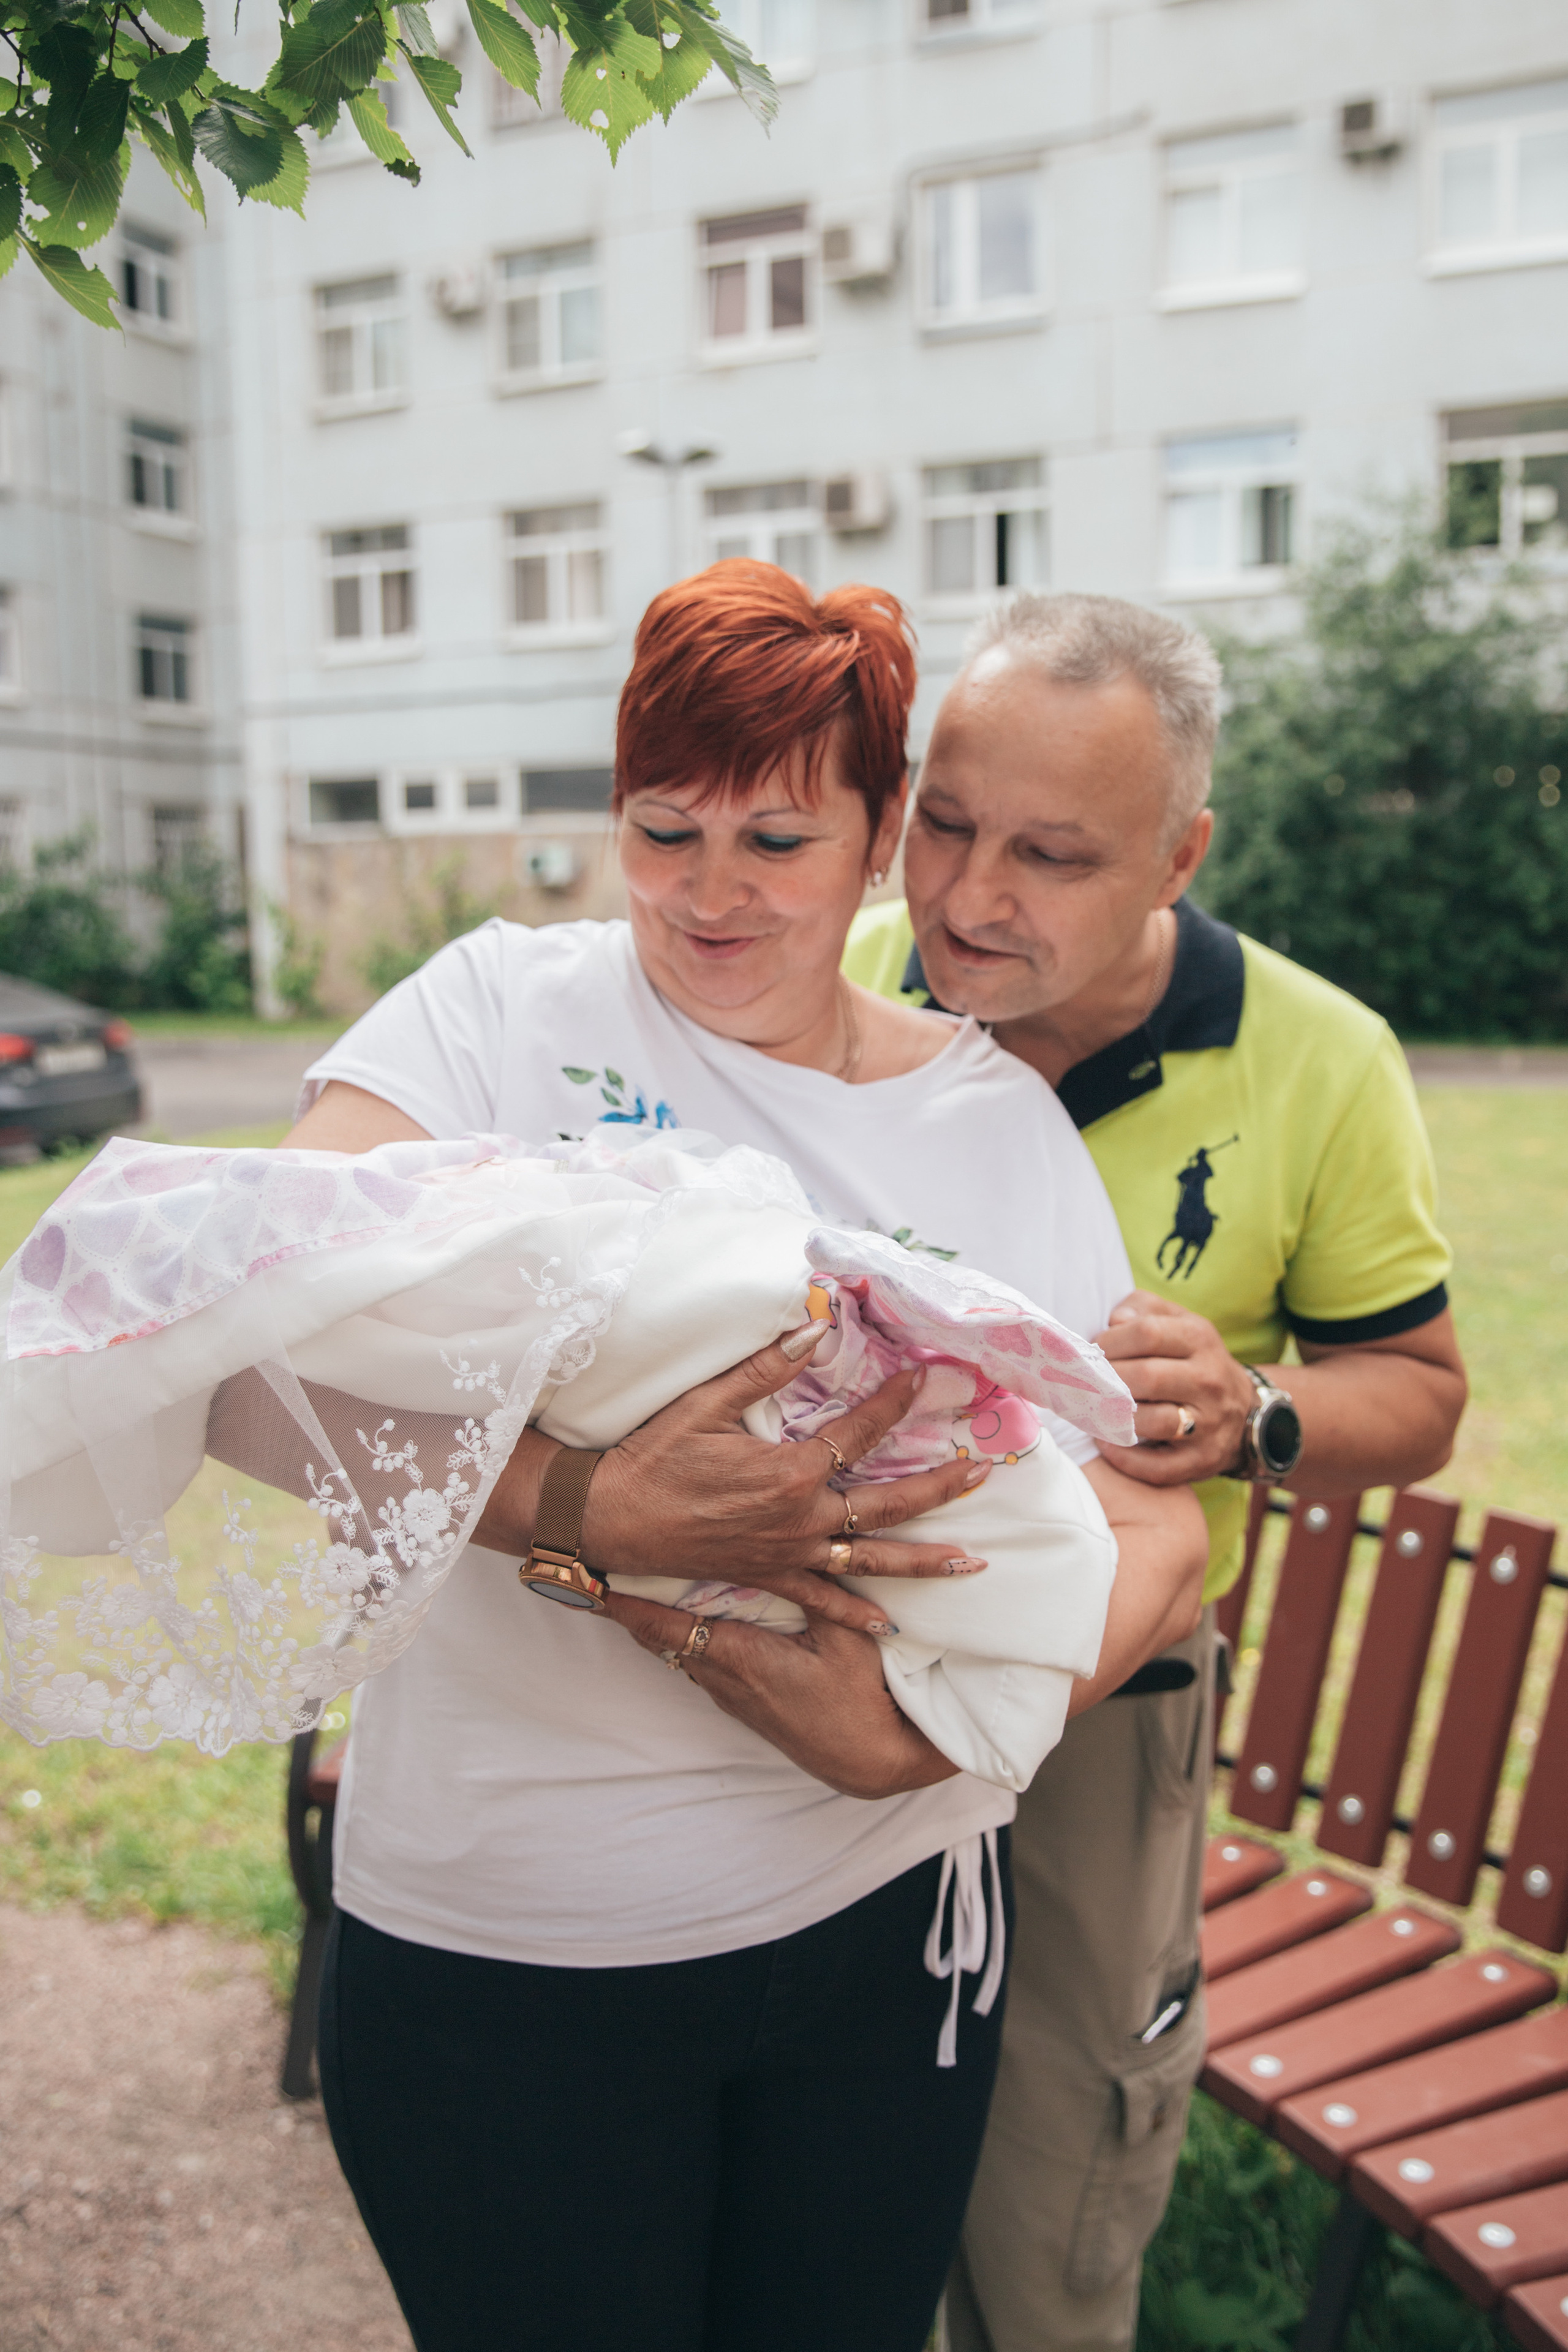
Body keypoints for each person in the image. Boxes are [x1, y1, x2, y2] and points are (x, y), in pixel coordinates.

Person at [274, 565, 1208, 2352]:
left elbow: (1150, 1523)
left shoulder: (989, 1120)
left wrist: (917, 1735)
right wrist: (588, 1508)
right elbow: (268, 1355)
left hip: (894, 1942)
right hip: (511, 1952)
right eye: (661, 828)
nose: (707, 893)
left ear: (879, 848)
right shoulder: (493, 1019)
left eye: (777, 840)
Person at [844, 589, 1468, 2352]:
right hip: (805, 1654)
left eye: (1051, 854)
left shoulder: (1321, 1057)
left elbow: (1415, 1392)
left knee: (1052, 2199)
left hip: (1110, 1694)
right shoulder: (825, 976)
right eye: (945, 821)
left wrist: (1255, 1410)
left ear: (1180, 854)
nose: (965, 899)